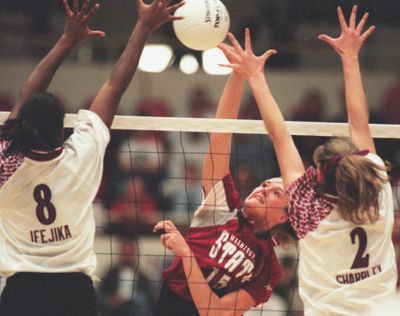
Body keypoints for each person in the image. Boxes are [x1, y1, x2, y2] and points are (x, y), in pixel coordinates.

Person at [0, 0, 184, 315]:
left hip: (21, 292)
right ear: (62, 132)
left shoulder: (5, 160)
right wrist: (142, 27)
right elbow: (114, 86)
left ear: (21, 127)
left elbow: (25, 97)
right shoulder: (83, 152)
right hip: (74, 293)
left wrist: (65, 40)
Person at [220, 5, 397, 315]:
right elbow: (359, 123)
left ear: (321, 181)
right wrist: (351, 58)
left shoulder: (308, 211)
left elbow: (280, 135)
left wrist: (255, 77)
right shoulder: (378, 186)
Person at [153, 44, 297, 315]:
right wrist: (238, 76)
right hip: (170, 305)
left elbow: (216, 311)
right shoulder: (225, 205)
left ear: (283, 217)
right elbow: (221, 136)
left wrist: (185, 253)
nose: (264, 189)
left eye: (277, 193)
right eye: (266, 184)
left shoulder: (268, 268)